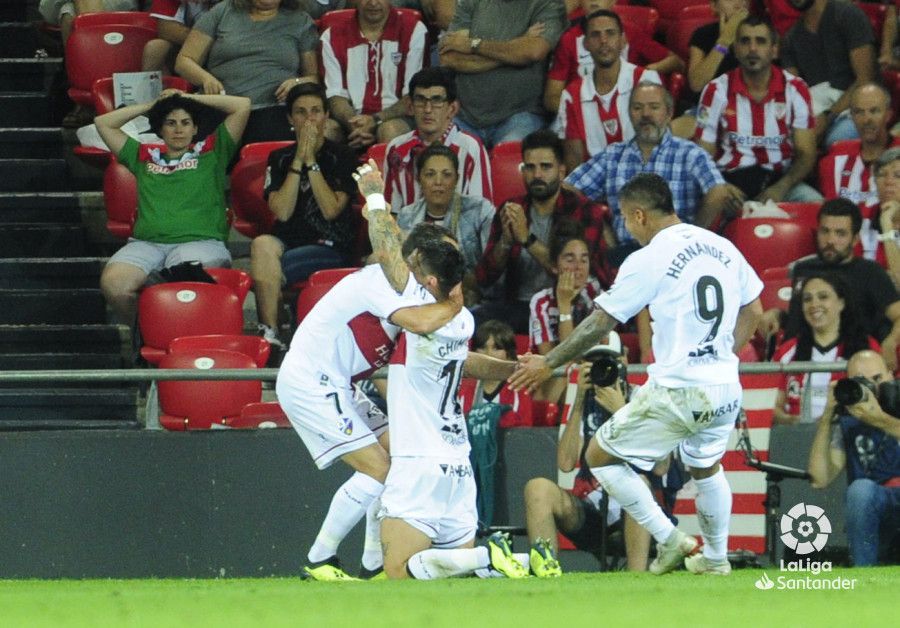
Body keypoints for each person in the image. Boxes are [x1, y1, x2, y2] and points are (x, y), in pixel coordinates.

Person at [511, 172, 764, 576]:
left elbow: (599, 323)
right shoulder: (723, 247)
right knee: (708, 469)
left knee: (600, 458)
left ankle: (670, 540)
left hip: (680, 388)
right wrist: (719, 354)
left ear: (640, 214)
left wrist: (550, 362)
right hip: (724, 387)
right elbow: (754, 311)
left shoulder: (649, 258)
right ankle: (716, 559)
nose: (627, 228)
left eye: (627, 220)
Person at [354, 162, 529, 581]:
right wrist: (511, 368)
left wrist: (375, 197)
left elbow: (388, 255)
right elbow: (462, 361)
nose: (406, 268)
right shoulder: (463, 318)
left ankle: (490, 558)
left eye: (415, 264)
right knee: (447, 588)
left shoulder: (424, 312)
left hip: (418, 461)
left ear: (427, 276)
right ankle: (484, 560)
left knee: (397, 574)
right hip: (457, 464)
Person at [276, 215, 470, 581]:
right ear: (417, 261)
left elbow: (401, 365)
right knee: (379, 468)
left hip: (340, 384)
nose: (449, 275)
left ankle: (372, 566)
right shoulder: (382, 283)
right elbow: (420, 324)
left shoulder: (415, 295)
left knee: (400, 458)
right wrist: (455, 306)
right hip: (310, 382)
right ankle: (320, 559)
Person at [94, 90, 251, 327]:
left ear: (195, 128)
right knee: (115, 285)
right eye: (170, 123)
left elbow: (242, 104)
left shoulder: (213, 151)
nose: (179, 129)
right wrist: (154, 104)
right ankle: (148, 339)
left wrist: (185, 98)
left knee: (179, 278)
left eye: (186, 123)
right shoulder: (143, 156)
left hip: (200, 243)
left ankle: (176, 342)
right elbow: (103, 123)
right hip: (146, 244)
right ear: (160, 129)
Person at [524, 337, 678, 575]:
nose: (601, 369)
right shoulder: (582, 400)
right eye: (593, 363)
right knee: (538, 488)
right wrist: (577, 401)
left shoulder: (644, 398)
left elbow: (661, 466)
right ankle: (546, 575)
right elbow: (565, 464)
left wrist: (622, 411)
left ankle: (636, 579)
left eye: (608, 362)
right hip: (593, 512)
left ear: (623, 363)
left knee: (640, 485)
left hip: (638, 512)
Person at [565, 81, 745, 266]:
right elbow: (568, 189)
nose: (645, 114)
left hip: (677, 254)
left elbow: (718, 192)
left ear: (668, 113)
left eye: (654, 107)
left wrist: (693, 237)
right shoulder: (613, 155)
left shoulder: (689, 153)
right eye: (637, 108)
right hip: (627, 254)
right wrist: (602, 228)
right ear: (630, 114)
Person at [250, 82, 357, 349]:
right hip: (287, 240)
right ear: (290, 118)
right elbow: (283, 212)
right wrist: (298, 159)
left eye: (315, 111)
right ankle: (271, 334)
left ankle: (285, 322)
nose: (309, 119)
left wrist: (312, 161)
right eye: (300, 112)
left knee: (266, 275)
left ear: (326, 116)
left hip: (329, 244)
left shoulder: (344, 156)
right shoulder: (279, 158)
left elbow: (331, 210)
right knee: (261, 245)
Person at [474, 129, 612, 334]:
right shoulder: (512, 208)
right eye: (530, 167)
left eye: (545, 167)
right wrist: (505, 242)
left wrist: (527, 239)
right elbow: (484, 278)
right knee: (469, 319)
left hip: (571, 305)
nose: (537, 175)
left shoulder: (585, 211)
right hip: (519, 306)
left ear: (562, 171)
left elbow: (576, 275)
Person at [757, 198, 900, 369]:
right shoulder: (804, 269)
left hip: (854, 363)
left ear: (855, 239)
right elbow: (802, 321)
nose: (830, 240)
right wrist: (779, 315)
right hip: (799, 362)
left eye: (840, 233)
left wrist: (891, 341)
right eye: (825, 231)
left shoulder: (871, 272)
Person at [695, 16, 821, 203]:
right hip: (729, 181)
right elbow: (703, 153)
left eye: (760, 41)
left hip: (781, 181)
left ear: (774, 50)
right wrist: (719, 186)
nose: (752, 48)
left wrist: (781, 188)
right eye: (745, 41)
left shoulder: (797, 89)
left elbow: (807, 153)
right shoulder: (716, 90)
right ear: (735, 50)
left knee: (816, 206)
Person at [175, 0, 319, 145]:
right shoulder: (224, 11)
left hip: (273, 108)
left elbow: (313, 77)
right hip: (221, 105)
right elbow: (184, 61)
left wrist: (298, 82)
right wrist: (205, 79)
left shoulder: (300, 20)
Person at [808, 349, 900, 566]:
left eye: (877, 379)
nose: (871, 388)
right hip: (875, 505)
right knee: (860, 490)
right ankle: (862, 577)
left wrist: (879, 419)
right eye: (861, 381)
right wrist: (827, 416)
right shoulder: (849, 423)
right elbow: (819, 479)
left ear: (891, 374)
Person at [439, 0, 566, 148]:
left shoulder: (547, 4)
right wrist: (517, 47)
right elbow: (450, 58)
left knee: (508, 163)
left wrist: (473, 44)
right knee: (440, 163)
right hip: (465, 115)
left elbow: (533, 52)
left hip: (519, 116)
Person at [556, 9, 662, 173]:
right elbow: (575, 164)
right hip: (596, 187)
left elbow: (657, 145)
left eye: (610, 33)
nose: (603, 41)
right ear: (586, 44)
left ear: (622, 40)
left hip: (644, 179)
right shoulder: (571, 95)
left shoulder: (646, 80)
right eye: (595, 35)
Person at [772, 273, 879, 425]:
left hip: (851, 437)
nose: (814, 304)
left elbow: (879, 405)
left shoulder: (867, 349)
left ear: (841, 302)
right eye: (807, 299)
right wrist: (791, 421)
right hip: (796, 438)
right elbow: (772, 405)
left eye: (823, 297)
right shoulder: (787, 351)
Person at [544, 0, 683, 117]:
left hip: (628, 114)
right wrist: (586, 114)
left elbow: (677, 62)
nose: (594, 0)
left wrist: (647, 71)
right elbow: (551, 99)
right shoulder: (568, 39)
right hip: (580, 114)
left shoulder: (631, 33)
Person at [395, 144, 495, 306]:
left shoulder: (480, 210)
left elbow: (490, 270)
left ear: (457, 178)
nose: (438, 182)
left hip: (473, 299)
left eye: (446, 175)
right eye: (430, 174)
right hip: (418, 301)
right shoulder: (406, 216)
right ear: (419, 178)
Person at [321, 0, 427, 149]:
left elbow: (412, 95)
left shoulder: (414, 30)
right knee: (321, 130)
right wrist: (355, 125)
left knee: (389, 130)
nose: (373, 3)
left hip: (396, 118)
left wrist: (375, 120)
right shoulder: (331, 35)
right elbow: (335, 96)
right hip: (349, 122)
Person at [383, 67, 492, 208]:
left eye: (436, 101)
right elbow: (390, 212)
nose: (428, 109)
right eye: (420, 100)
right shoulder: (396, 148)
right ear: (410, 107)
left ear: (452, 109)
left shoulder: (470, 148)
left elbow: (480, 215)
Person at [780, 0, 877, 148]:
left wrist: (828, 117)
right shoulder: (790, 38)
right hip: (816, 112)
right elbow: (795, 93)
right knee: (781, 144)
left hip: (860, 108)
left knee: (839, 139)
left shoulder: (847, 15)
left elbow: (865, 80)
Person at [528, 219, 602, 401]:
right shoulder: (541, 302)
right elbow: (554, 361)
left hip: (585, 370)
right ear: (554, 266)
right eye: (570, 259)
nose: (578, 267)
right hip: (550, 377)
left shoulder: (593, 291)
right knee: (566, 379)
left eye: (584, 260)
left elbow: (601, 348)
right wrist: (564, 305)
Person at [669, 0, 749, 138]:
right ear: (714, 6)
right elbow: (696, 84)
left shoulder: (761, 35)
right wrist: (724, 41)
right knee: (669, 133)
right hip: (707, 109)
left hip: (750, 109)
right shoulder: (703, 35)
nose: (738, 3)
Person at [819, 83, 897, 212]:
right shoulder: (834, 159)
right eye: (859, 112)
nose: (867, 119)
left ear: (888, 115)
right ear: (852, 116)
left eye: (874, 111)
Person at [143, 0, 221, 74]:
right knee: (155, 47)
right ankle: (154, 86)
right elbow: (166, 30)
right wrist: (202, 41)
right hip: (189, 47)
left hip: (221, 46)